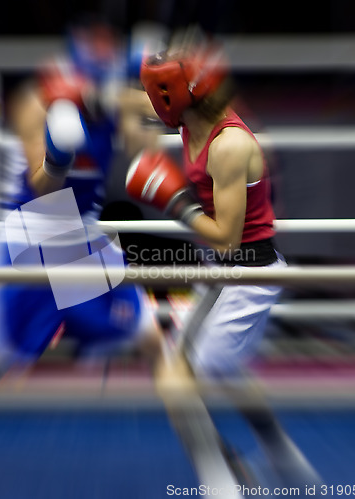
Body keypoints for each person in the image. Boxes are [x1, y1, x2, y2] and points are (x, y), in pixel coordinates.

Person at [0, 21, 177, 483]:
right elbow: (40, 182)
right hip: (36, 226)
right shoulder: (35, 99)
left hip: (82, 229)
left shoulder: (118, 99)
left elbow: (144, 145)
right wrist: (58, 156)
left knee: (152, 342)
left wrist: (147, 88)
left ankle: (212, 448)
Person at [126, 37, 286, 378]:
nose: (154, 102)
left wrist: (177, 203)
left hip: (250, 271)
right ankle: (271, 435)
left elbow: (228, 239)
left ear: (173, 95)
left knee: (195, 370)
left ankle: (227, 432)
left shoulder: (227, 146)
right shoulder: (192, 116)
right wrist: (88, 93)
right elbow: (136, 103)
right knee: (207, 368)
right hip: (218, 267)